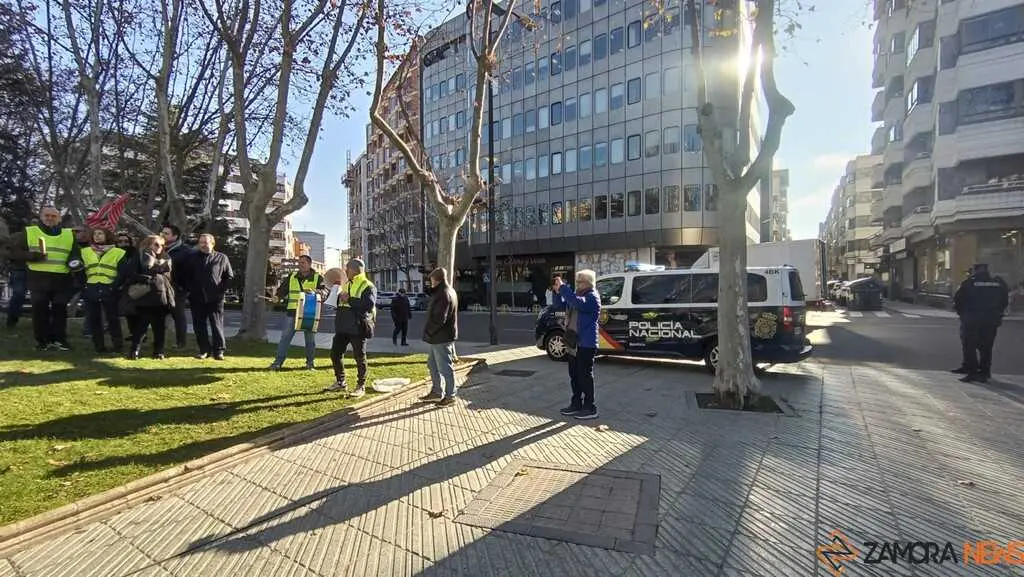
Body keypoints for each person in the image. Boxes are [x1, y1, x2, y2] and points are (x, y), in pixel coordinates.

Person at [5, 207, 80, 351]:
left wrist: (75, 261)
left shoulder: (69, 234)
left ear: (59, 218)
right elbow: (11, 251)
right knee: (40, 309)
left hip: (62, 278)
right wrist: (32, 256)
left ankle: (59, 340)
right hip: (38, 278)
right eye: (47, 215)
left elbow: (75, 253)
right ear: (41, 217)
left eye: (53, 216)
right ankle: (42, 341)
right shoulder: (30, 232)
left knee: (60, 309)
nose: (50, 218)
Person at [326, 258, 377, 397]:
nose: (345, 271)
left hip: (358, 326)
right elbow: (340, 301)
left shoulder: (368, 285)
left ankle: (361, 386)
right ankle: (341, 382)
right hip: (343, 326)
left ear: (353, 270)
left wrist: (349, 299)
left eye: (346, 269)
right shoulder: (346, 283)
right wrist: (335, 296)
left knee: (360, 357)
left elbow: (368, 305)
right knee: (335, 354)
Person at [555, 269, 601, 420]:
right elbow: (560, 305)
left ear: (588, 283)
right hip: (573, 342)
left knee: (584, 376)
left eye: (580, 282)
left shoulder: (592, 297)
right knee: (574, 375)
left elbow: (577, 303)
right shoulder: (576, 296)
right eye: (577, 281)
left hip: (586, 344)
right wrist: (557, 292)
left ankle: (590, 407)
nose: (578, 284)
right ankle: (576, 403)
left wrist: (563, 288)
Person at [121, 235, 175, 360]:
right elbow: (131, 273)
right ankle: (134, 351)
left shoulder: (166, 258)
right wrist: (146, 278)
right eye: (156, 244)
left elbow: (169, 275)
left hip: (161, 295)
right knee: (141, 325)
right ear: (147, 244)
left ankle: (158, 351)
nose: (159, 247)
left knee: (159, 326)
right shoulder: (140, 256)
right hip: (145, 295)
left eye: (162, 245)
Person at [952, 263, 1009, 383]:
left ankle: (971, 371)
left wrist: (962, 314)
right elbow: (1005, 300)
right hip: (992, 319)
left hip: (972, 319)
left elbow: (958, 299)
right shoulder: (998, 282)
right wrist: (998, 313)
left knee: (969, 345)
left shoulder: (969, 283)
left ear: (975, 270)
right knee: (986, 347)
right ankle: (984, 372)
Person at [270, 255, 329, 370]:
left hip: (309, 313)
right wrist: (277, 296)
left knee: (310, 340)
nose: (300, 265)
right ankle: (278, 363)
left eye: (303, 263)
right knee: (285, 338)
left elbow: (325, 292)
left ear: (309, 264)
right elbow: (283, 289)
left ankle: (310, 364)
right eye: (299, 262)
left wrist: (315, 291)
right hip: (292, 312)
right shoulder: (292, 276)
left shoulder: (318, 278)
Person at [182, 233, 233, 360]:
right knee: (199, 326)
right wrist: (190, 290)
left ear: (212, 243)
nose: (203, 245)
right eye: (201, 243)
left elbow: (228, 276)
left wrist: (221, 291)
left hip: (215, 298)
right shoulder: (192, 258)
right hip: (196, 297)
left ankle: (219, 351)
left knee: (216, 325)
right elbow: (185, 276)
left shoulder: (222, 258)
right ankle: (204, 350)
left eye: (206, 242)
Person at [81, 228, 128, 353]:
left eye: (100, 233)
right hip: (91, 286)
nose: (97, 236)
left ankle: (117, 346)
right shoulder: (85, 251)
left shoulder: (118, 252)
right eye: (95, 234)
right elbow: (80, 271)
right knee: (94, 318)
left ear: (107, 235)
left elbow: (123, 272)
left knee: (112, 318)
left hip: (109, 287)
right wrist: (84, 286)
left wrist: (114, 286)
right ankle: (99, 346)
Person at [419, 267, 459, 406]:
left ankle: (450, 396)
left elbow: (440, 318)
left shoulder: (444, 294)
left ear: (437, 280)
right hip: (439, 337)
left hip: (441, 337)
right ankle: (437, 391)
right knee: (432, 365)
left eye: (431, 280)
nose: (431, 283)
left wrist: (429, 332)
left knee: (445, 368)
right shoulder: (447, 291)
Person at [161, 224, 193, 349]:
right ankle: (158, 342)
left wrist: (183, 287)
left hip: (177, 289)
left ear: (175, 236)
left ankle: (180, 342)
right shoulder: (158, 247)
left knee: (178, 315)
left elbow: (189, 271)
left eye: (166, 233)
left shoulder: (185, 251)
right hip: (160, 286)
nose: (162, 235)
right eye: (162, 232)